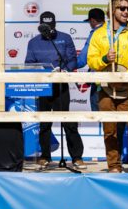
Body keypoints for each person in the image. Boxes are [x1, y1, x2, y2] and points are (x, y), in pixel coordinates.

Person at [87, 0, 128, 173]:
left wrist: (126, 75)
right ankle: (114, 165)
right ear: (111, 11)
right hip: (105, 88)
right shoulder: (98, 34)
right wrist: (105, 58)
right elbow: (91, 60)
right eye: (122, 8)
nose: (126, 12)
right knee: (110, 129)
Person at [25, 11, 84, 170]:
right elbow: (29, 63)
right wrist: (42, 72)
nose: (48, 30)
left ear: (55, 24)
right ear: (40, 25)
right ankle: (45, 156)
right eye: (45, 27)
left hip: (61, 85)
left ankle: (77, 157)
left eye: (51, 26)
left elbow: (72, 59)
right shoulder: (33, 42)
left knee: (68, 121)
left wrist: (65, 70)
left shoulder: (65, 38)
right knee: (44, 123)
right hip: (43, 87)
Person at [77, 8, 105, 111]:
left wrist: (67, 65)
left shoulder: (95, 34)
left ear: (93, 20)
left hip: (99, 83)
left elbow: (82, 60)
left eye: (89, 21)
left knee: (100, 119)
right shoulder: (111, 31)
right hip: (116, 81)